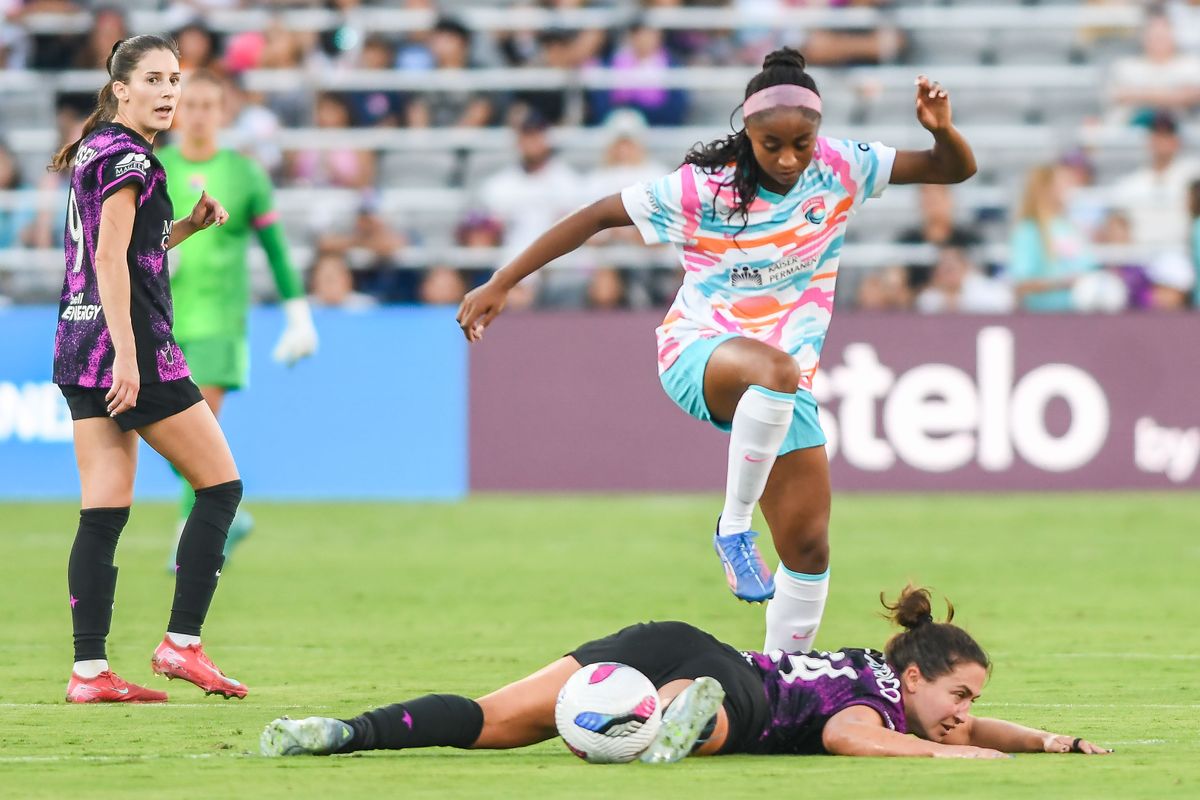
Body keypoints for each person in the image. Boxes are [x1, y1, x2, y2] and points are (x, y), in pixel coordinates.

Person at [457, 48, 977, 653]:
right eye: (771, 144)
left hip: (783, 389)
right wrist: (502, 281)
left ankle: (784, 685)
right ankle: (732, 528)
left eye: (801, 144)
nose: (788, 158)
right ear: (747, 132)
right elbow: (599, 215)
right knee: (776, 370)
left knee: (808, 548)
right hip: (698, 353)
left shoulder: (843, 164)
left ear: (818, 133)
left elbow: (952, 170)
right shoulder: (701, 188)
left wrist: (943, 131)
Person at [260, 584, 1112, 761]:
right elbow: (853, 740)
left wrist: (1045, 741)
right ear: (916, 679)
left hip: (674, 637)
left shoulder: (890, 682)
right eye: (959, 696)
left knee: (489, 721)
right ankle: (678, 718)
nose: (966, 715)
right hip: (739, 688)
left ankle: (346, 732)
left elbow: (967, 725)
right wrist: (971, 759)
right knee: (698, 723)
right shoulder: (873, 703)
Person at [50, 35, 246, 704]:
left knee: (102, 509)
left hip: (77, 344)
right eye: (156, 80)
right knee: (220, 488)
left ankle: (88, 672)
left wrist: (187, 225)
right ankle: (181, 645)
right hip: (129, 348)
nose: (169, 92)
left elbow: (133, 245)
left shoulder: (97, 148)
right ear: (122, 87)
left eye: (176, 80)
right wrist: (129, 358)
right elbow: (110, 259)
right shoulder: (132, 156)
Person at [157, 69, 317, 569]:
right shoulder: (155, 168)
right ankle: (231, 518)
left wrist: (298, 315)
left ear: (224, 112)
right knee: (166, 434)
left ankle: (191, 535)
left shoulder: (244, 174)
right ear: (178, 110)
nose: (200, 114)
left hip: (221, 323)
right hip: (161, 320)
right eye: (192, 104)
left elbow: (274, 249)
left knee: (198, 426)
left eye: (210, 105)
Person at [1009, 164, 1099, 312]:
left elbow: (1089, 267)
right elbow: (1021, 283)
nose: (1069, 190)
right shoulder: (1029, 230)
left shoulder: (1070, 227)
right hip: (1044, 318)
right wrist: (1063, 283)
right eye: (1063, 184)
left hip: (1079, 314)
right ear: (1047, 189)